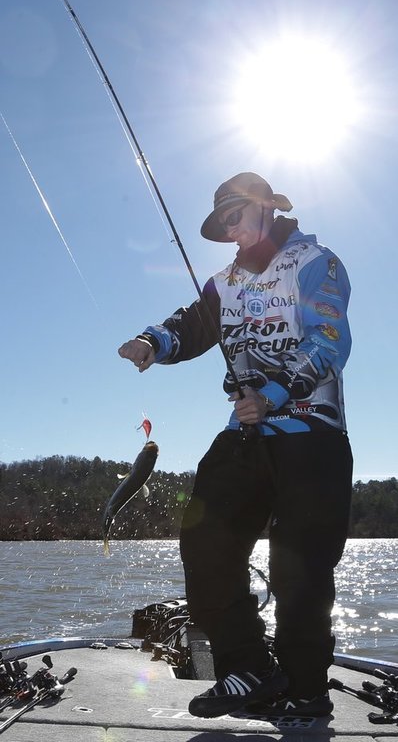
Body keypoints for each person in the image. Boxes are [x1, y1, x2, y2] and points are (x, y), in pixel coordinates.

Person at [119, 172, 353, 719]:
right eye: (223, 223)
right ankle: (246, 668)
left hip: (313, 435)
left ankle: (305, 689)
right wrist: (152, 342)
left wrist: (275, 393)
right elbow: (192, 324)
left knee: (301, 568)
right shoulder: (224, 283)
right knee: (205, 540)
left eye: (237, 215)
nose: (232, 230)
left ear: (266, 207)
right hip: (245, 437)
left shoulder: (317, 262)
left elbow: (330, 337)